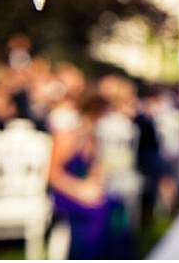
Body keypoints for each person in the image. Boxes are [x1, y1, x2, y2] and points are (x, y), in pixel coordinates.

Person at [48, 91, 133, 259]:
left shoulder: (92, 136)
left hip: (84, 189)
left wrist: (95, 181)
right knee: (99, 210)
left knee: (117, 206)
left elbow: (93, 167)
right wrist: (80, 190)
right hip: (65, 193)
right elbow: (52, 174)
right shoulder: (69, 136)